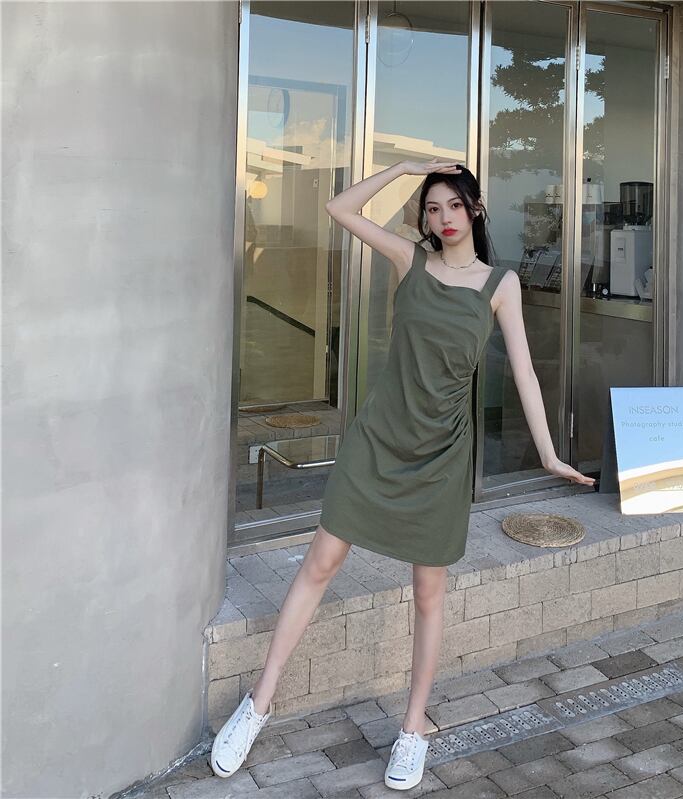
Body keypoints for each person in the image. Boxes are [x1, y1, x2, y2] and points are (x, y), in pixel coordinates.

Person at [211, 158, 596, 789]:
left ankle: (413, 727)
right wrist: (405, 167)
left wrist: (549, 454)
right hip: (379, 439)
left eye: (454, 206)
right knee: (320, 564)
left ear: (475, 209)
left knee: (428, 592)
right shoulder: (409, 260)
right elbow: (340, 208)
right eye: (432, 208)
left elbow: (525, 371)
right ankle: (258, 704)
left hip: (442, 454)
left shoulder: (500, 284)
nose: (443, 218)